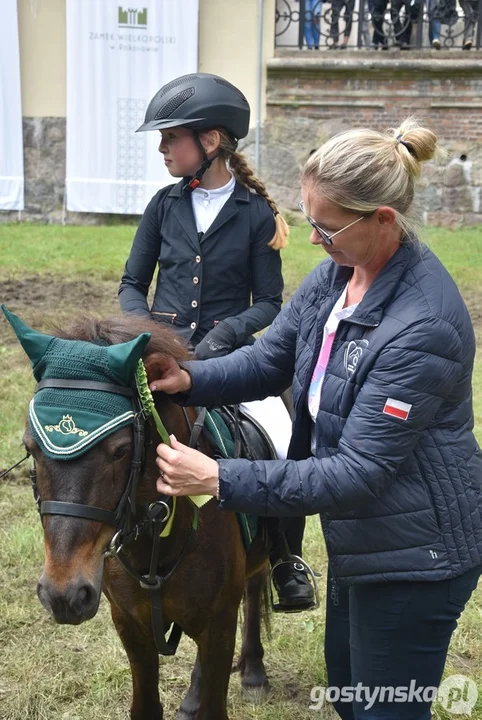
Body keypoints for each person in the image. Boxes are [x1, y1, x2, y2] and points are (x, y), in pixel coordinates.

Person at [149, 118, 482, 719]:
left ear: (383, 219)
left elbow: (356, 471)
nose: (312, 241)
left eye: (326, 228)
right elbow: (273, 355)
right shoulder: (340, 273)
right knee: (352, 697)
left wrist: (219, 478)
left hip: (417, 557)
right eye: (310, 222)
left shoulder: (422, 326)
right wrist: (191, 376)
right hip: (367, 543)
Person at [118, 72, 314, 611]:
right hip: (162, 355)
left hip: (234, 361)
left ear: (210, 141)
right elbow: (133, 285)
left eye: (169, 136)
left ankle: (284, 559)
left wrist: (225, 336)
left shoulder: (255, 213)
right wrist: (149, 336)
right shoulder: (163, 205)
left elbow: (270, 301)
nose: (160, 148)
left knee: (283, 435)